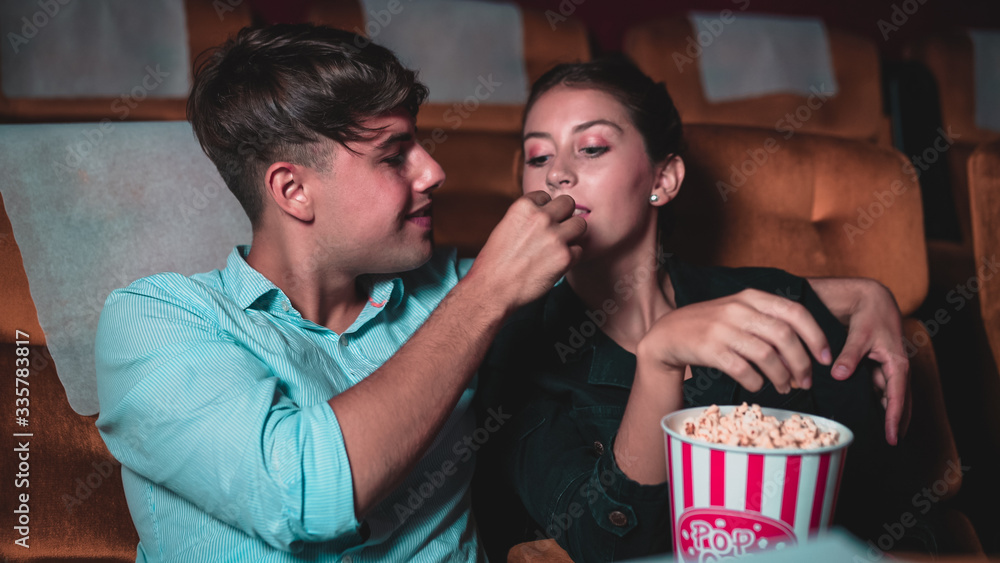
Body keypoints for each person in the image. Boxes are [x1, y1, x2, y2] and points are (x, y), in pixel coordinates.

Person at [94, 24, 908, 562]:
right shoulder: (157, 324)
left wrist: (850, 291)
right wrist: (486, 293)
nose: (436, 170)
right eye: (396, 154)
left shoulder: (444, 294)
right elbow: (305, 492)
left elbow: (624, 281)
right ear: (293, 190)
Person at [472, 58, 923, 563]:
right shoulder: (516, 350)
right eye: (538, 157)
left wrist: (869, 294)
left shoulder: (764, 298)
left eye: (592, 148)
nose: (557, 173)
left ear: (663, 178)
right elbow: (606, 547)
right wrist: (658, 358)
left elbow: (869, 499)